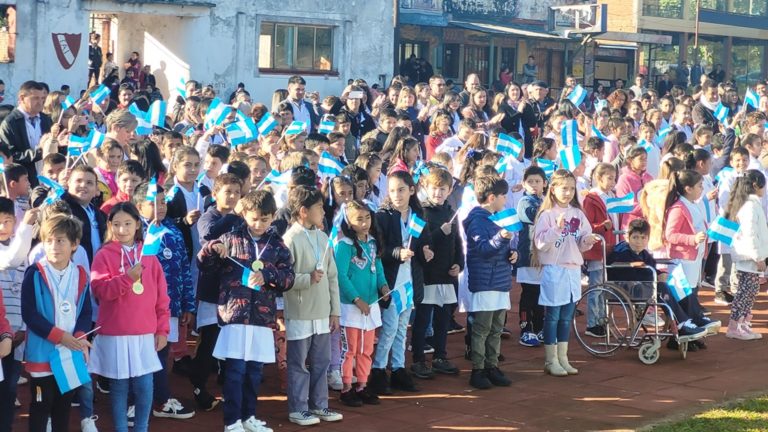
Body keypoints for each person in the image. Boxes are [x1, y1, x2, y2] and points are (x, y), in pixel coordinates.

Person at [198, 190, 294, 432]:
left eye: (264, 218)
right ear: (244, 215)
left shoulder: (278, 245)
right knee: (235, 372)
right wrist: (211, 248)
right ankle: (232, 421)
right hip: (235, 316)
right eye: (254, 218)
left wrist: (268, 275)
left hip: (262, 318)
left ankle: (249, 416)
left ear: (273, 217)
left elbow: (288, 278)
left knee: (254, 372)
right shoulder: (230, 238)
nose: (259, 224)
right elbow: (204, 265)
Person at [89, 202, 170, 432]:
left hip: (144, 333)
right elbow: (100, 291)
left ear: (137, 225)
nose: (122, 229)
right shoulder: (104, 254)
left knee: (145, 385)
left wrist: (162, 329)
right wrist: (127, 278)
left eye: (127, 224)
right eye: (116, 224)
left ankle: (141, 428)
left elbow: (162, 297)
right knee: (119, 386)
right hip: (115, 333)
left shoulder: (150, 255)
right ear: (109, 225)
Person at [21, 214, 92, 432]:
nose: (54, 246)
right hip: (43, 351)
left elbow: (85, 311)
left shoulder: (80, 274)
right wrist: (61, 337)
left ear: (75, 244)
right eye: (49, 240)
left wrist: (80, 335)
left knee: (63, 407)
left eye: (60, 240)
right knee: (41, 405)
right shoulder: (34, 273)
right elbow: (30, 314)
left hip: (69, 353)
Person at [132, 182, 196, 419]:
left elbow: (184, 270)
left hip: (169, 308)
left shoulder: (174, 231)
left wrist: (188, 304)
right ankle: (137, 402)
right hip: (141, 308)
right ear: (139, 206)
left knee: (161, 353)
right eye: (152, 203)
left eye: (162, 202)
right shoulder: (135, 231)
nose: (159, 207)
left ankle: (160, 400)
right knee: (140, 355)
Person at [282, 186, 343, 426]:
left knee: (321, 362)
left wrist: (335, 310)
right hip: (299, 312)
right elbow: (283, 279)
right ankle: (298, 408)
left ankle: (320, 405)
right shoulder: (290, 239)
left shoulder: (323, 237)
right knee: (298, 363)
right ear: (304, 211)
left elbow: (332, 277)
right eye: (319, 207)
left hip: (321, 312)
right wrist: (307, 279)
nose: (323, 212)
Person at [369, 171, 433, 395]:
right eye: (393, 190)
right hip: (391, 282)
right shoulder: (383, 216)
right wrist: (397, 253)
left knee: (401, 330)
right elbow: (379, 249)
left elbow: (425, 241)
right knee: (389, 329)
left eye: (401, 189)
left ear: (412, 190)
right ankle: (377, 371)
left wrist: (426, 251)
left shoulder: (418, 215)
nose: (396, 194)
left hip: (409, 282)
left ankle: (397, 368)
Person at [534, 170, 599, 377]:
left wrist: (588, 240)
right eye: (564, 188)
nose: (568, 192)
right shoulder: (547, 214)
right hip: (554, 269)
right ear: (552, 189)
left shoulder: (577, 213)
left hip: (572, 269)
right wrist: (557, 229)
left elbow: (581, 240)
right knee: (553, 316)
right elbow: (541, 244)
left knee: (566, 316)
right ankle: (550, 359)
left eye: (571, 188)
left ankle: (563, 357)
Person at [189, 173, 243, 411]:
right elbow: (208, 236)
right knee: (208, 341)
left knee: (230, 341)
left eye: (236, 192)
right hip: (212, 293)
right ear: (215, 194)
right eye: (227, 191)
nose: (232, 197)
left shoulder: (241, 219)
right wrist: (231, 216)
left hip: (233, 292)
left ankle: (227, 382)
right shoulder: (207, 217)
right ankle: (198, 384)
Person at [463, 175, 517, 389]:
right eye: (504, 196)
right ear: (492, 197)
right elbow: (484, 249)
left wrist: (512, 254)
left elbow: (499, 248)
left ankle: (491, 365)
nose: (506, 200)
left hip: (500, 280)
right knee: (482, 328)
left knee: (495, 328)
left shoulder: (497, 218)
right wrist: (502, 237)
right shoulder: (476, 220)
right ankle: (478, 369)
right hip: (485, 282)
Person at [334, 199, 388, 407]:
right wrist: (356, 299)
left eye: (367, 218)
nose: (364, 223)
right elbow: (341, 275)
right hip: (351, 307)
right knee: (350, 350)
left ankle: (362, 385)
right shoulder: (344, 245)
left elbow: (379, 269)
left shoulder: (373, 242)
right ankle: (347, 387)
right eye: (359, 219)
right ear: (348, 221)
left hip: (370, 306)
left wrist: (383, 287)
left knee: (366, 349)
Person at [412, 168, 461, 378]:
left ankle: (440, 356)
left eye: (442, 189)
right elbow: (421, 242)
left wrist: (460, 263)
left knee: (443, 319)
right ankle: (418, 360)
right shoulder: (421, 212)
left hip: (446, 275)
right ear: (425, 187)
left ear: (449, 190)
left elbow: (458, 241)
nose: (438, 193)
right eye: (434, 188)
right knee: (423, 319)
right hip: (429, 275)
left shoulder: (451, 211)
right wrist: (441, 232)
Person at [663, 170, 722, 338]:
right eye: (699, 186)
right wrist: (693, 239)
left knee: (691, 292)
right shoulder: (678, 207)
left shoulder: (692, 204)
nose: (702, 189)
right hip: (683, 258)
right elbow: (670, 235)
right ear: (688, 188)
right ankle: (686, 325)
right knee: (684, 293)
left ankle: (694, 320)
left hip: (694, 257)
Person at [0, 199, 37, 432]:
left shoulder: (23, 251)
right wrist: (27, 228)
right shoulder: (16, 251)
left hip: (15, 331)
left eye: (8, 221)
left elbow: (25, 290)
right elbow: (9, 260)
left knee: (9, 389)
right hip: (1, 329)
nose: (3, 226)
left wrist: (22, 327)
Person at [724, 170, 768, 340]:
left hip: (749, 256)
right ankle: (734, 326)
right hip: (748, 256)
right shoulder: (750, 205)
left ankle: (742, 324)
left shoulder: (750, 203)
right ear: (756, 186)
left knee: (750, 291)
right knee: (745, 292)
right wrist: (758, 257)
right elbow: (751, 234)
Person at [581, 163, 618, 338]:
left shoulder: (612, 196)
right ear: (599, 177)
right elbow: (587, 226)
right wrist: (602, 226)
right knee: (596, 287)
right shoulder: (592, 198)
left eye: (614, 178)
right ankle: (592, 323)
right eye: (609, 178)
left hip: (610, 248)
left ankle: (602, 320)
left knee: (604, 287)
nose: (613, 182)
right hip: (597, 249)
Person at [0, 81, 53, 186]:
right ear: (22, 98)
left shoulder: (45, 119)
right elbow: (11, 156)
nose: (40, 102)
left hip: (47, 177)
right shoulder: (10, 123)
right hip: (24, 181)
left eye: (42, 98)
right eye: (35, 98)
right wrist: (39, 151)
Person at [63, 165, 106, 263]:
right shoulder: (63, 209)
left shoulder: (101, 215)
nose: (83, 185)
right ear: (68, 183)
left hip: (98, 270)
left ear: (96, 189)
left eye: (89, 183)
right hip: (74, 269)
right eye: (78, 181)